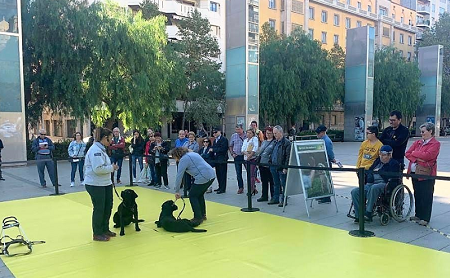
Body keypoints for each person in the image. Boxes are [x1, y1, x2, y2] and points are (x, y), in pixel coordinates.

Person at [84, 127, 119, 242]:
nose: (111, 141)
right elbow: (98, 169)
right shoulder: (96, 150)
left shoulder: (102, 149)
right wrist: (111, 168)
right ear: (105, 138)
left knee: (107, 206)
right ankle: (97, 232)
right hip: (95, 184)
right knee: (99, 208)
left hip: (105, 183)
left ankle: (104, 228)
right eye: (110, 139)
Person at [350, 145, 400, 222]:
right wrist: (369, 177)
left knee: (374, 188)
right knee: (355, 191)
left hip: (385, 184)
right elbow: (370, 170)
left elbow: (392, 177)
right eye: (380, 154)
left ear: (390, 155)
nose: (381, 157)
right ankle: (359, 215)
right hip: (371, 183)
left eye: (383, 155)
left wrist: (380, 172)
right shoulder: (377, 161)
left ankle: (368, 212)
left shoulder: (394, 164)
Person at [405, 122, 441, 226]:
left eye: (423, 131)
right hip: (414, 172)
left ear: (430, 131)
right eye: (421, 131)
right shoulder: (418, 142)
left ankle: (425, 217)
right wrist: (419, 158)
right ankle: (418, 214)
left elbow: (429, 156)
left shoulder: (435, 144)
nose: (422, 134)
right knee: (417, 193)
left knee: (426, 195)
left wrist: (415, 154)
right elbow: (407, 153)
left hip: (426, 173)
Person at [172, 147, 216, 226]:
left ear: (177, 155)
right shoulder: (193, 154)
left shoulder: (183, 160)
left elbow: (179, 176)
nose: (176, 160)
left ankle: (197, 218)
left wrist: (177, 191)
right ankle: (203, 215)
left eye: (175, 158)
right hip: (211, 175)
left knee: (192, 195)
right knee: (199, 194)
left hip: (203, 176)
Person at [268, 126, 291, 207]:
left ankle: (284, 200)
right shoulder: (275, 142)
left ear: (281, 132)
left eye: (276, 133)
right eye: (274, 133)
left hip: (281, 166)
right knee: (275, 183)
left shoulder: (286, 143)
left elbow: (288, 156)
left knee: (283, 184)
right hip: (273, 165)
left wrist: (285, 167)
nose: (274, 135)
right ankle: (275, 198)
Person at [255, 126, 275, 202]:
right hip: (262, 163)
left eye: (270, 133)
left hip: (269, 163)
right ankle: (264, 195)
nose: (268, 135)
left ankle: (273, 196)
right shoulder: (264, 142)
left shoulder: (274, 142)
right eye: (267, 133)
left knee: (272, 181)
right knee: (264, 180)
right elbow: (260, 151)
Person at [316, 125, 335, 204]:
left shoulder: (326, 141)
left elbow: (329, 152)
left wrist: (332, 158)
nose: (317, 135)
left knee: (325, 179)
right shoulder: (322, 140)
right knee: (322, 179)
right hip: (322, 162)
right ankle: (323, 195)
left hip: (326, 162)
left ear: (323, 132)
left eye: (318, 133)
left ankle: (327, 197)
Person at [229, 124, 246, 194]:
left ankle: (252, 187)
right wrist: (232, 153)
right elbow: (230, 145)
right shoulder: (234, 136)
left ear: (242, 129)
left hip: (245, 156)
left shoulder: (246, 135)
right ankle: (240, 187)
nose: (237, 131)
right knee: (238, 173)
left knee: (250, 172)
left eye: (239, 129)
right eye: (236, 130)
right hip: (237, 156)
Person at [181, 131, 200, 197]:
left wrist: (187, 150)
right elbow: (182, 149)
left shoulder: (196, 144)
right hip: (186, 161)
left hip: (193, 161)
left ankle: (193, 189)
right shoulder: (186, 142)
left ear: (194, 137)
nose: (191, 138)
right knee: (186, 176)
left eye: (192, 137)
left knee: (193, 176)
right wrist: (187, 150)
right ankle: (187, 188)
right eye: (189, 137)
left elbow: (195, 152)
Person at [211, 127, 229, 194]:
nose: (214, 134)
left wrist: (214, 150)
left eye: (216, 132)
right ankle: (220, 186)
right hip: (216, 159)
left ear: (219, 132)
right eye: (213, 133)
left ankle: (222, 188)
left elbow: (223, 149)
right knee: (218, 173)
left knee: (222, 174)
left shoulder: (223, 139)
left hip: (222, 159)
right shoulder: (215, 140)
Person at [241, 129, 259, 195]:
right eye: (247, 133)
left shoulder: (254, 139)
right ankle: (253, 188)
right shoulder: (245, 140)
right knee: (249, 174)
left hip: (252, 158)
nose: (248, 134)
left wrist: (250, 155)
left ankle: (251, 188)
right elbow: (242, 149)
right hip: (246, 158)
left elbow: (255, 147)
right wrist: (246, 154)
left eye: (250, 133)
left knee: (252, 174)